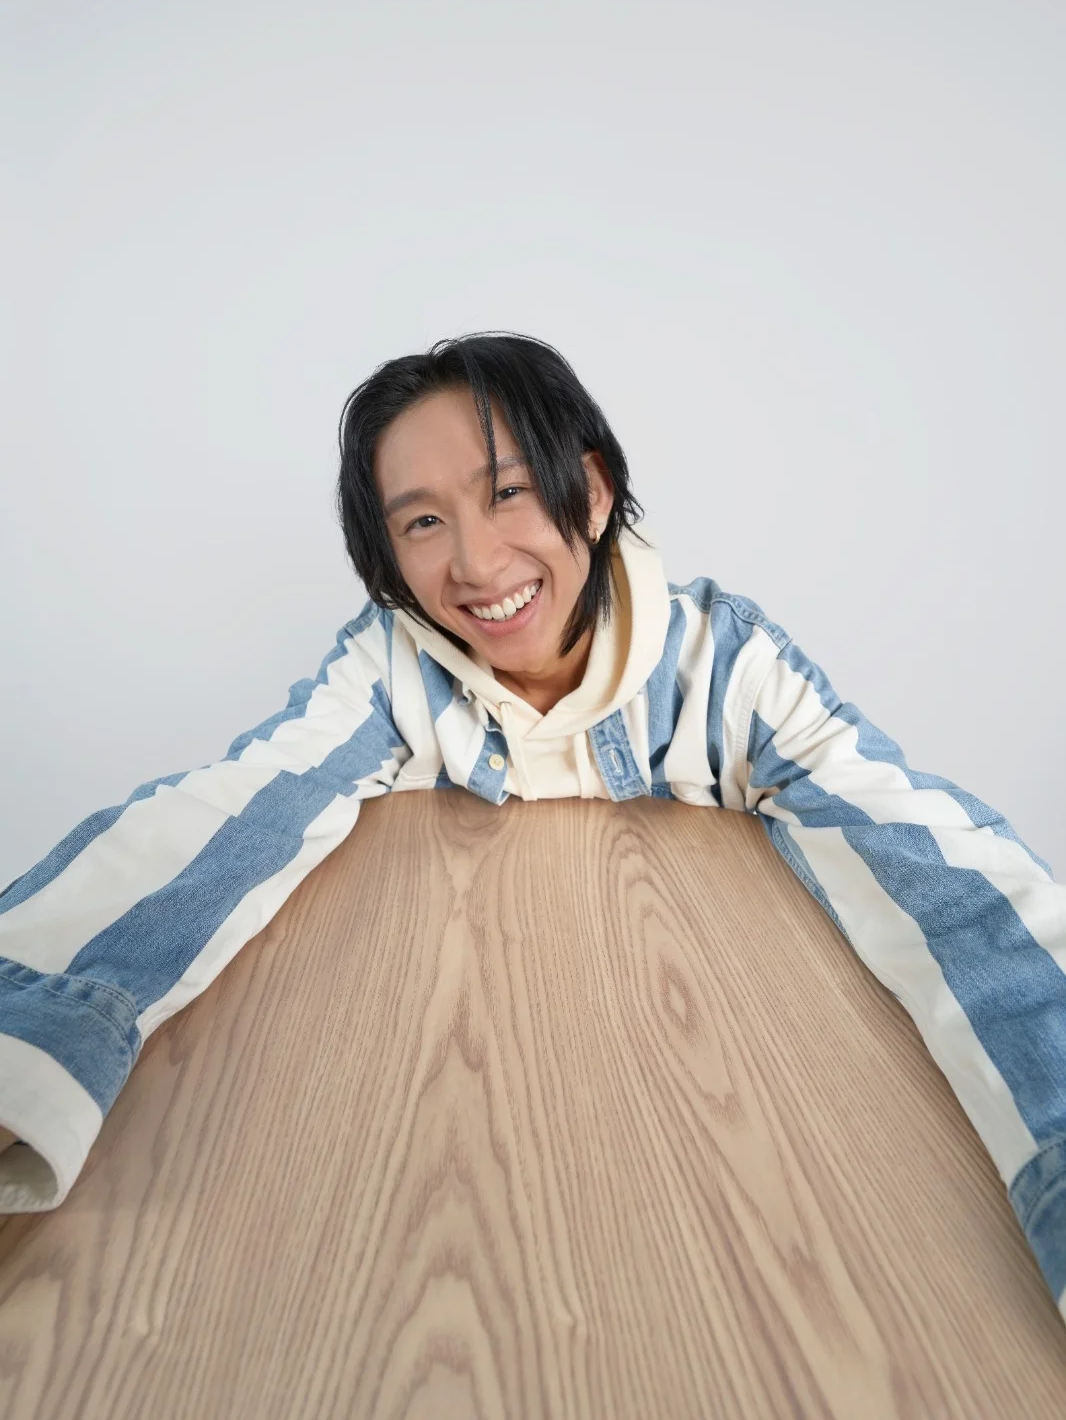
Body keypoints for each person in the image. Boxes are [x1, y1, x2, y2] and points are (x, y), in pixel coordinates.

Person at [1, 331, 1063, 1325]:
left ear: (589, 492)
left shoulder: (727, 666)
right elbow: (228, 817)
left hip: (727, 1130)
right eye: (422, 523)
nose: (474, 562)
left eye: (506, 493)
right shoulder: (388, 667)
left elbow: (947, 883)